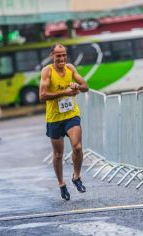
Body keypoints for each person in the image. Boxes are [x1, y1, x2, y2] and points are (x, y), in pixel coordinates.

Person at [39, 43, 88, 201]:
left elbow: (85, 86)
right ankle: (61, 184)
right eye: (58, 55)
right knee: (58, 154)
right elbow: (42, 95)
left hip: (71, 115)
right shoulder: (47, 71)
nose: (61, 58)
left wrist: (76, 86)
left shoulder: (70, 68)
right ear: (52, 56)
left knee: (77, 147)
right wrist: (64, 92)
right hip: (54, 118)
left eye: (64, 55)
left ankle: (76, 176)